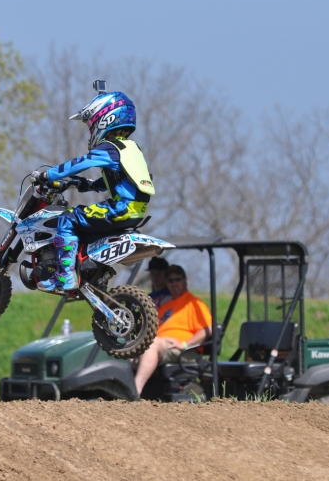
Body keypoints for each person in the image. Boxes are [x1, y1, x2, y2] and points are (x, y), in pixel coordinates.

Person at [32, 83, 155, 292]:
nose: (91, 131)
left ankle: (65, 275)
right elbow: (122, 179)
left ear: (105, 119)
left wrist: (48, 174)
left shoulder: (110, 148)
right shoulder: (131, 148)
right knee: (82, 220)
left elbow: (80, 163)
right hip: (136, 210)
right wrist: (88, 184)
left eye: (91, 125)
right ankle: (86, 268)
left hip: (121, 208)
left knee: (67, 219)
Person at [134, 265, 212, 396]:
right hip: (162, 346)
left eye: (177, 279)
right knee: (128, 351)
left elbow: (207, 329)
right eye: (170, 280)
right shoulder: (165, 306)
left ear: (185, 280)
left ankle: (135, 391)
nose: (174, 283)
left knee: (153, 344)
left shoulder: (194, 303)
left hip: (185, 351)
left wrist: (184, 344)